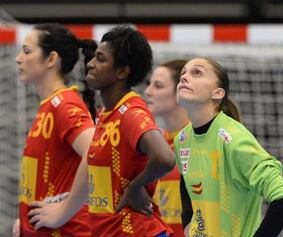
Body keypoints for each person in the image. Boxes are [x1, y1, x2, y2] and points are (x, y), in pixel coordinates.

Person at [27, 25, 176, 236]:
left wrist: (135, 186)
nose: (90, 64)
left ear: (122, 71)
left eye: (101, 59)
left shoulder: (131, 112)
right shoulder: (107, 114)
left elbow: (165, 158)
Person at [175, 57, 283, 237]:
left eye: (197, 73)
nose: (184, 77)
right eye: (183, 73)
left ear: (217, 93)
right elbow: (186, 184)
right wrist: (188, 225)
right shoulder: (182, 139)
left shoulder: (234, 139)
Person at [13, 23, 96, 236]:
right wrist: (23, 219)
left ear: (51, 59)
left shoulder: (65, 105)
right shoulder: (49, 106)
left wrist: (62, 211)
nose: (18, 58)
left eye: (27, 51)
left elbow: (97, 152)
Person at [145, 59, 189, 237]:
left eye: (158, 86)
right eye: (149, 84)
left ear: (181, 92)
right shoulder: (154, 146)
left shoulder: (205, 142)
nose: (148, 92)